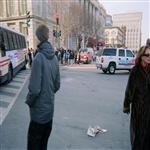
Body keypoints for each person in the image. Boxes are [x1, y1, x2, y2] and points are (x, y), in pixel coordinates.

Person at [25, 24, 60, 150]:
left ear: (38, 38)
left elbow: (34, 90)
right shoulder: (55, 58)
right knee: (43, 145)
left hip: (38, 116)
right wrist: (48, 94)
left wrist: (29, 102)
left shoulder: (38, 58)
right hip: (49, 113)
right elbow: (57, 85)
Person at [123, 45, 150, 150]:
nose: (149, 57)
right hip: (138, 109)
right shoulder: (135, 71)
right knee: (138, 136)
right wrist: (126, 105)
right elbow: (129, 90)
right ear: (141, 56)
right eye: (147, 55)